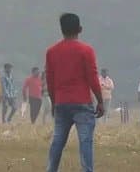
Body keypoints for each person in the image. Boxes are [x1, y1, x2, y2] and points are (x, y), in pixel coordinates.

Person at [44, 12, 104, 172]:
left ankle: (51, 169)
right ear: (80, 29)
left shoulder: (52, 52)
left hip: (61, 102)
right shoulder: (86, 50)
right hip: (82, 102)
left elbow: (50, 80)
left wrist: (54, 101)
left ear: (61, 29)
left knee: (58, 140)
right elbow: (92, 77)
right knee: (85, 141)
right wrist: (100, 101)